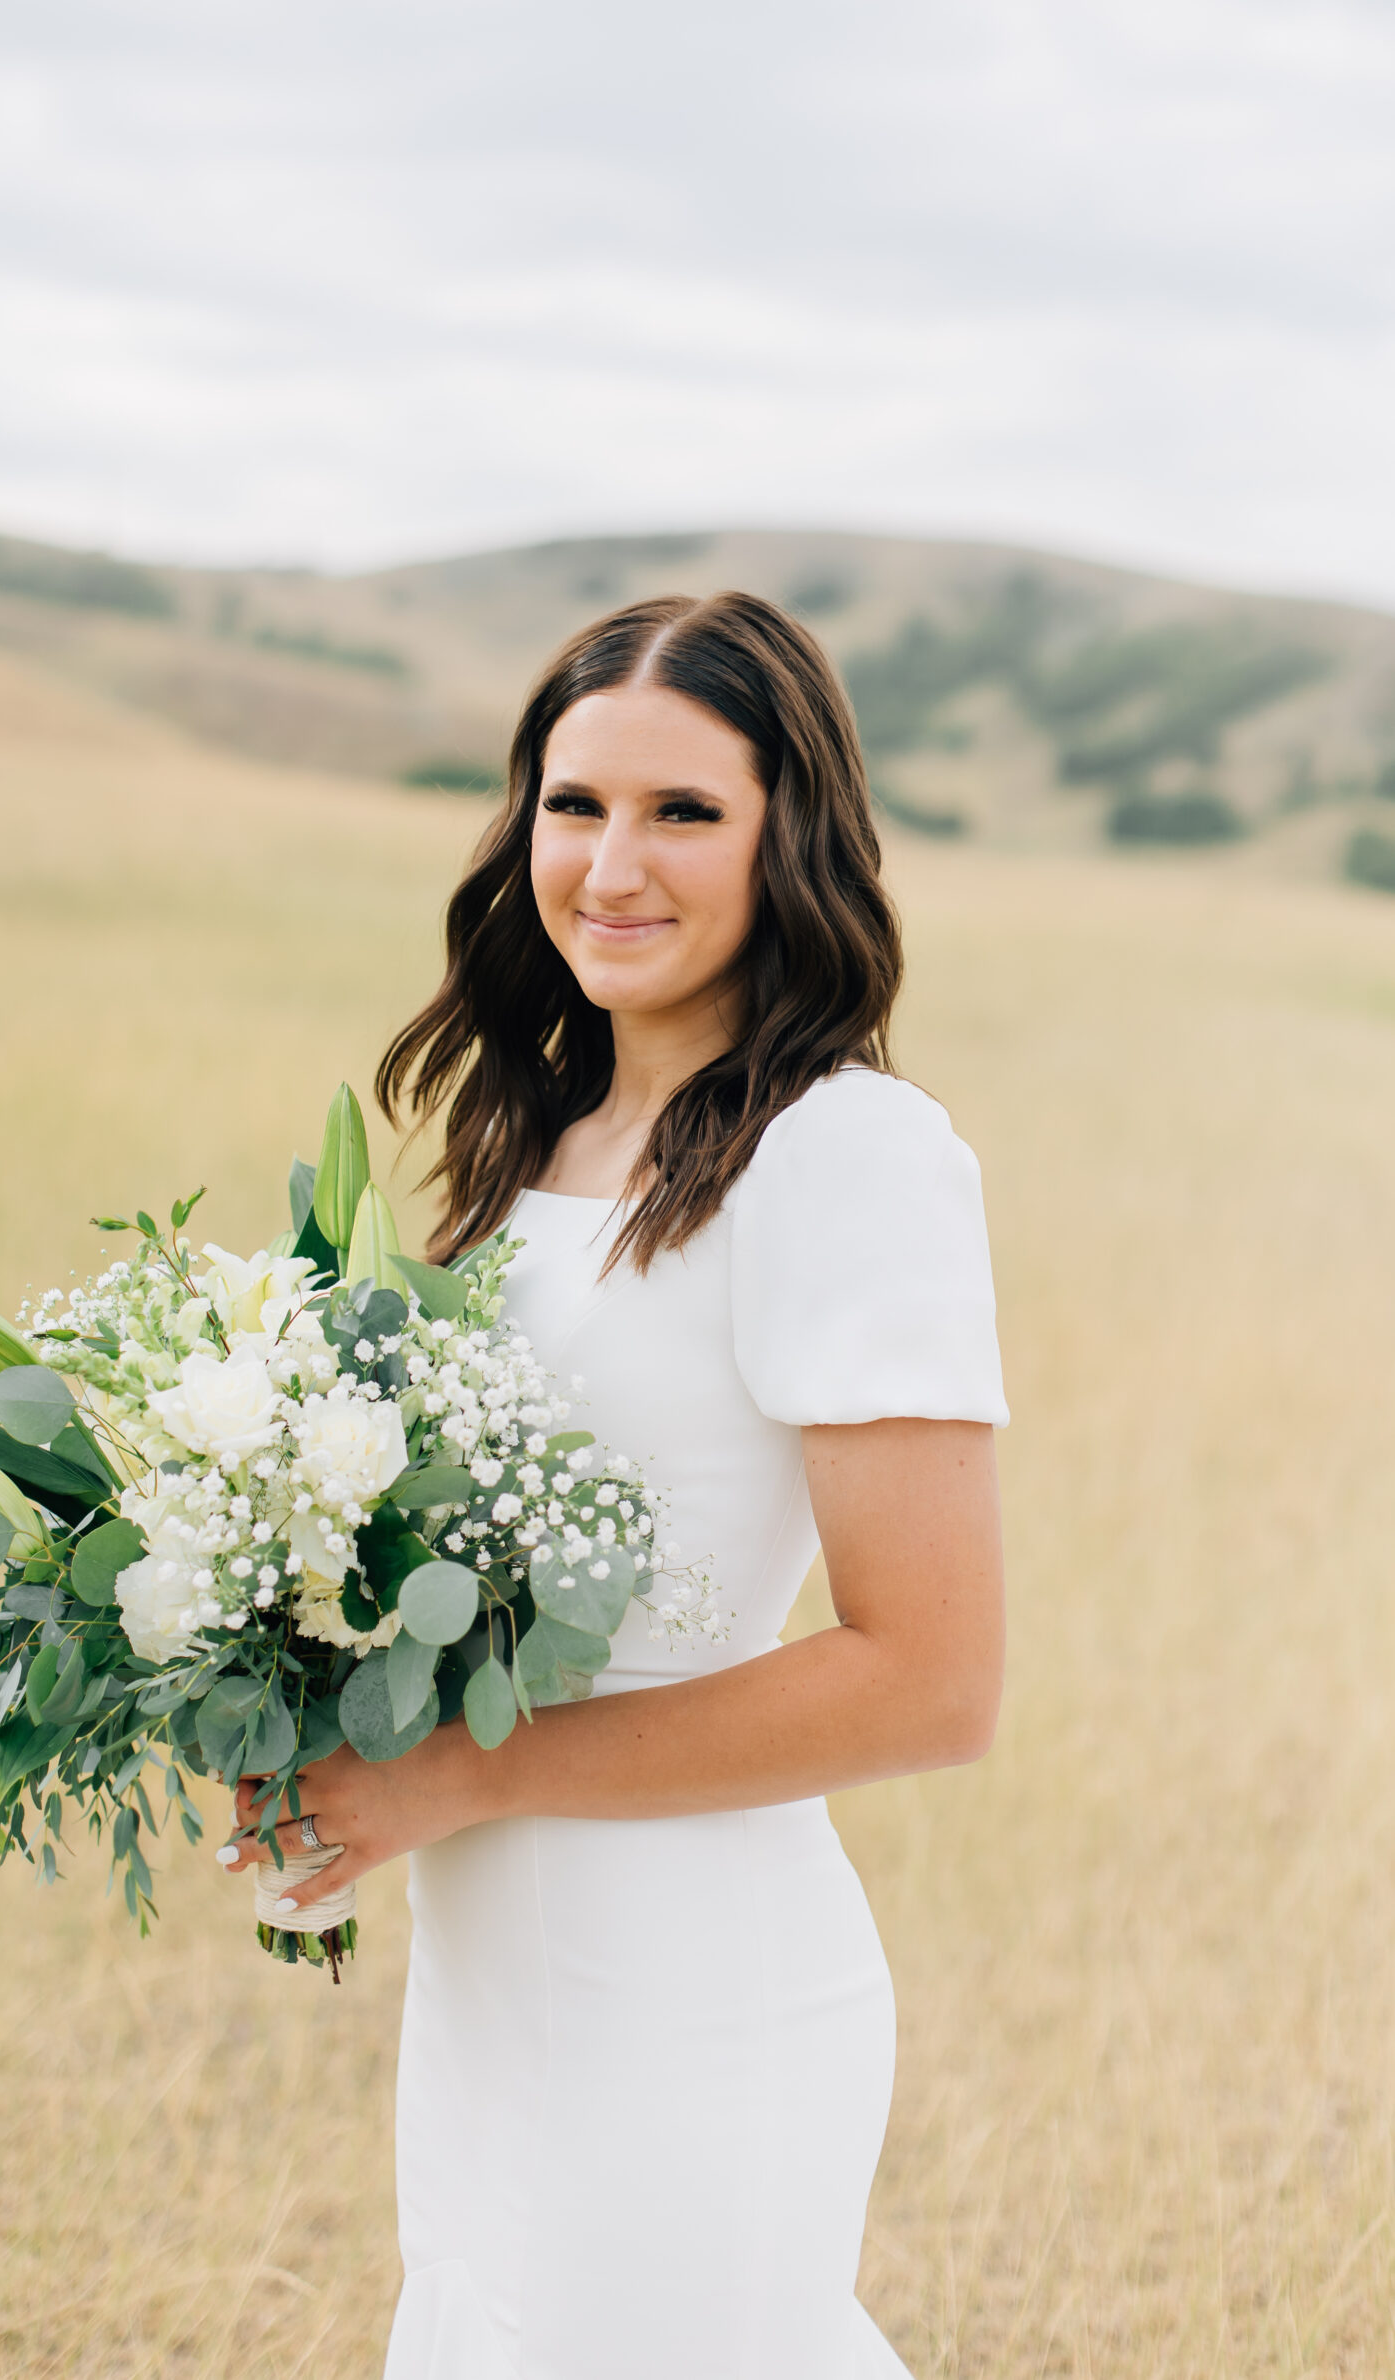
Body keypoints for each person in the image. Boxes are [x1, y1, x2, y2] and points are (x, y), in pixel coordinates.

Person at [227, 591, 1008, 2378]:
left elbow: (933, 1680)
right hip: (497, 1970)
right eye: (575, 805)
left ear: (790, 837)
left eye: (684, 812)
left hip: (697, 1984)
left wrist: (447, 1771)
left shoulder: (847, 1157)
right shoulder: (537, 1141)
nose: (611, 864)